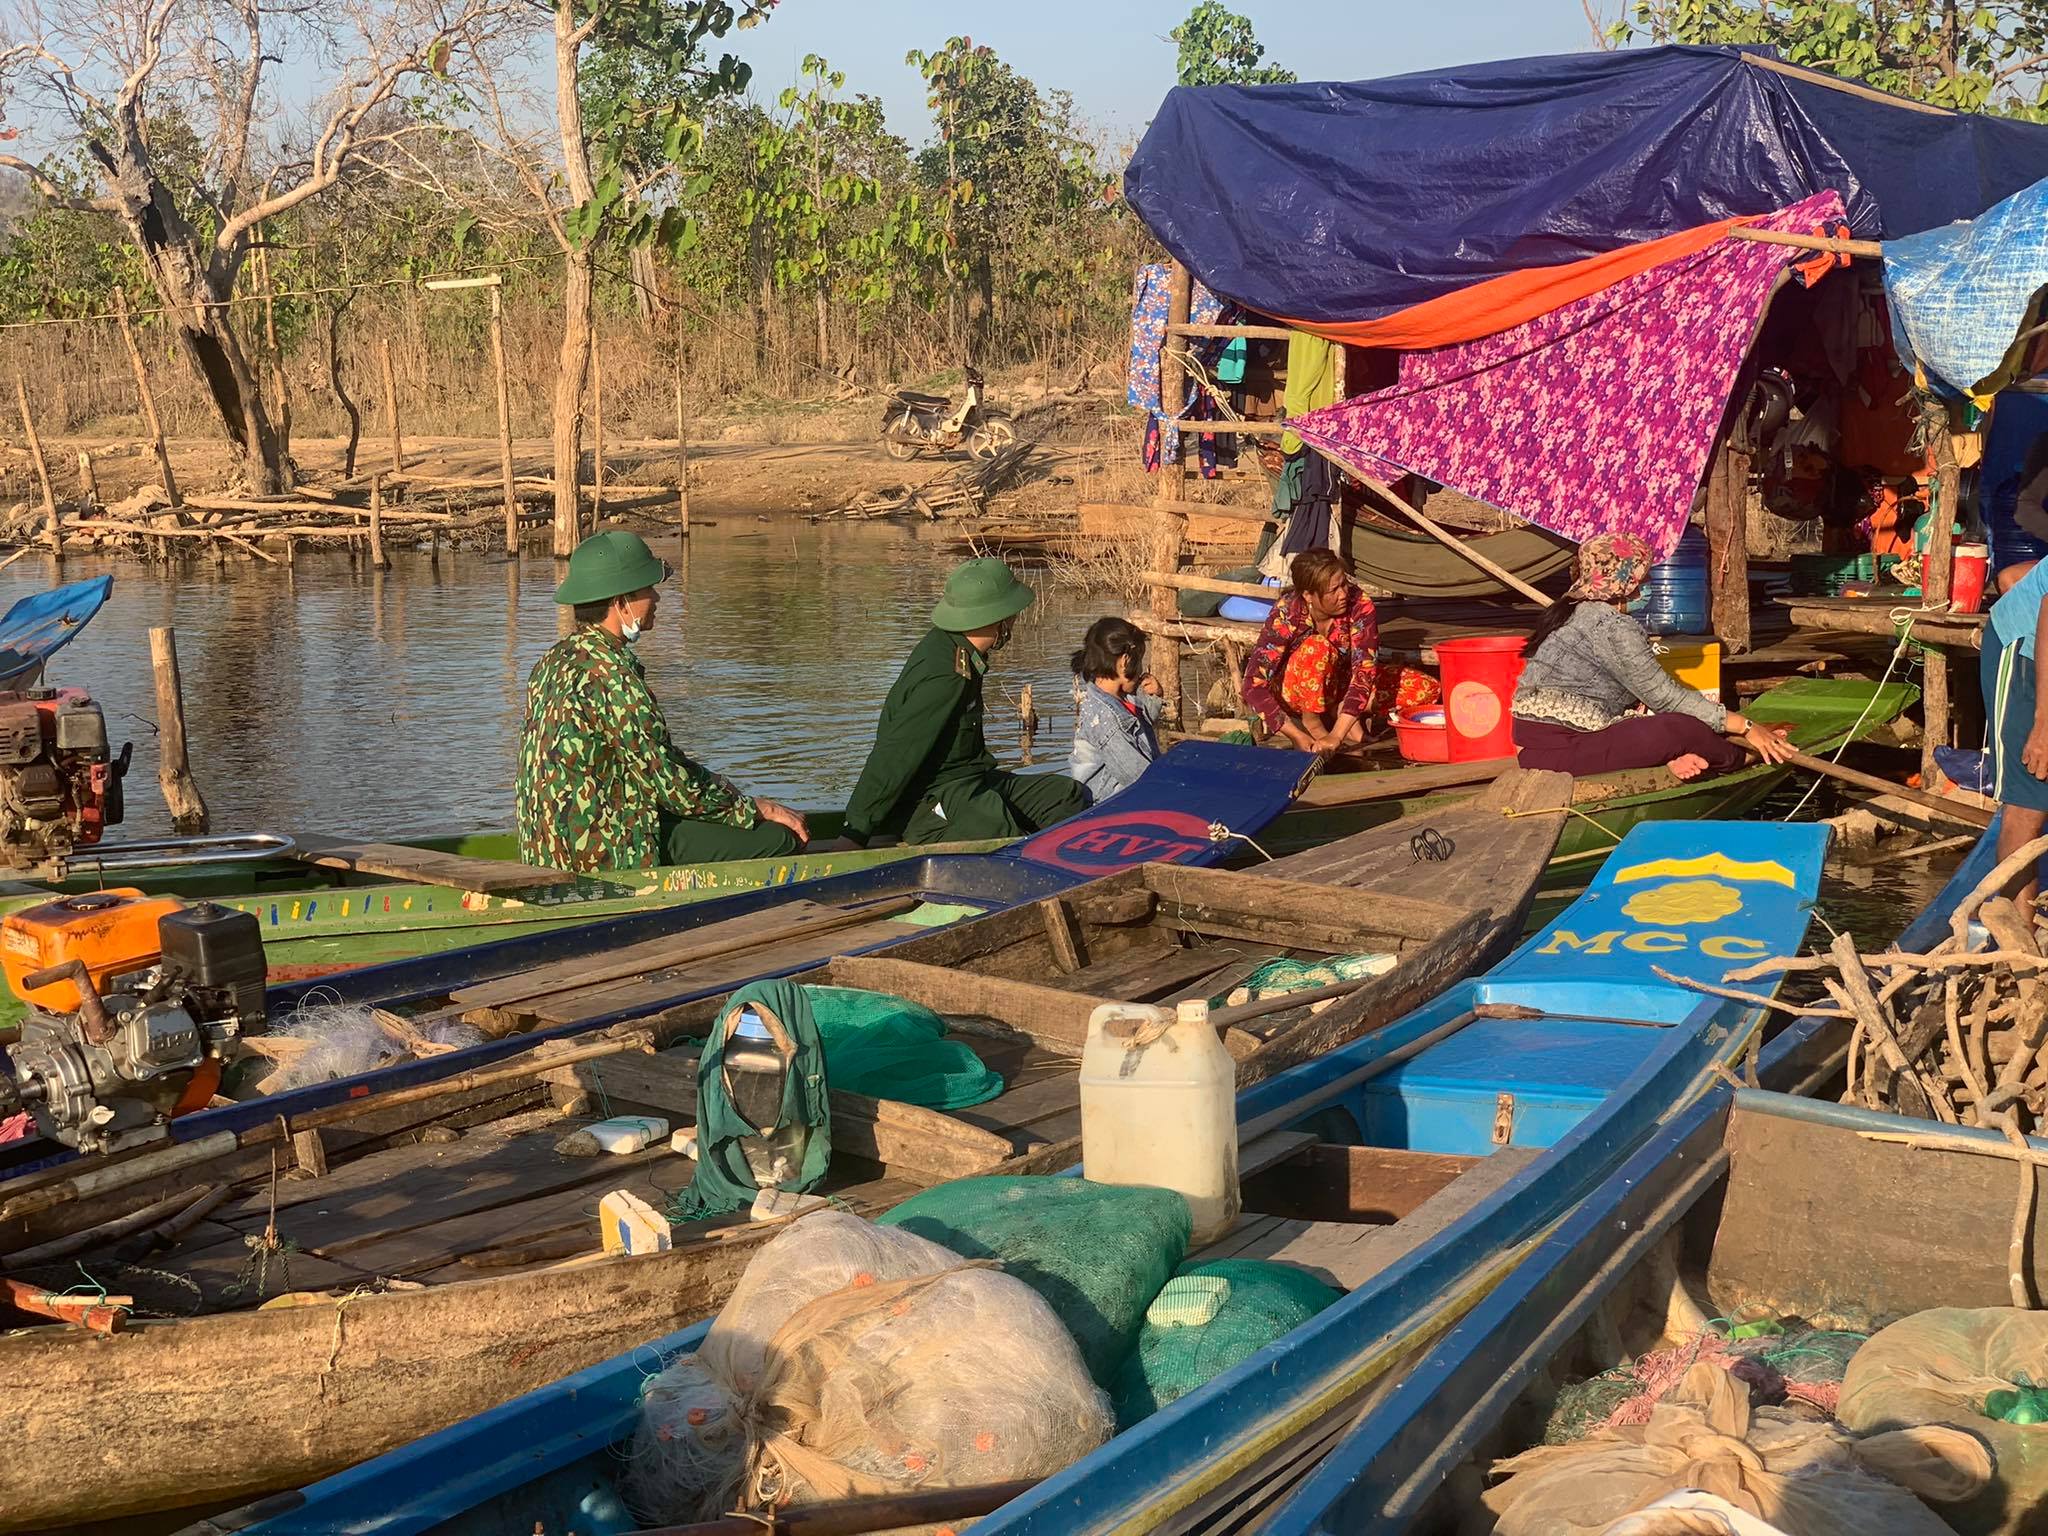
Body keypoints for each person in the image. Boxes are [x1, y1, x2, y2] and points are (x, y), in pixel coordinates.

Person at [516, 530, 808, 872]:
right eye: (648, 590)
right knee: (778, 839)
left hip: (545, 847)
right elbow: (673, 785)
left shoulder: (553, 661)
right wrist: (755, 808)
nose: (656, 598)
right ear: (621, 602)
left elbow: (652, 766)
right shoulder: (614, 677)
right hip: (604, 851)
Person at [841, 557, 1087, 846]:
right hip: (930, 802)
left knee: (1065, 795)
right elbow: (895, 754)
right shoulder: (946, 674)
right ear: (997, 618)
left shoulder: (962, 652)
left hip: (971, 781)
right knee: (996, 826)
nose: (1016, 620)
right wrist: (854, 832)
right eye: (1012, 614)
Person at [1510, 531, 1795, 780]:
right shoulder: (1611, 626)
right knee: (1680, 728)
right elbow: (1666, 699)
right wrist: (1747, 728)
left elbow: (1642, 698)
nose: (1648, 585)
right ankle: (1738, 758)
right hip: (1559, 752)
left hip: (1560, 745)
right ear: (1625, 582)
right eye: (1644, 578)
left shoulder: (1573, 609)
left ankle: (1686, 753)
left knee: (1672, 726)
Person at [1240, 549, 1438, 755]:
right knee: (1317, 648)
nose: (1343, 594)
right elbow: (1253, 685)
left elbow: (1364, 670)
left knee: (1425, 688)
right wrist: (1294, 735)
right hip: (1294, 692)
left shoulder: (1359, 604)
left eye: (1344, 584)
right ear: (1308, 594)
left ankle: (1342, 714)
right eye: (1333, 590)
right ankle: (1312, 723)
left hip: (1339, 685)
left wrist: (1337, 734)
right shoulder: (1287, 612)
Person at [1982, 557, 2048, 906]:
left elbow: (2010, 577)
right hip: (2028, 650)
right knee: (2030, 802)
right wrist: (2043, 724)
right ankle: (2014, 946)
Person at [1069, 616, 1163, 803]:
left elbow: (1141, 731)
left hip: (1123, 793)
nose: (1141, 669)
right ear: (1125, 662)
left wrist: (1153, 697)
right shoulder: (1106, 719)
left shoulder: (1122, 699)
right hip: (1107, 804)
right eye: (1140, 661)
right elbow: (1137, 778)